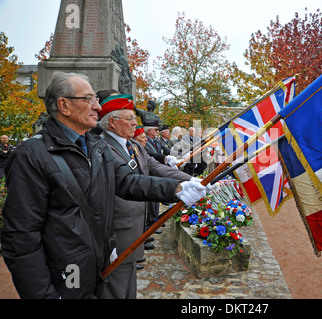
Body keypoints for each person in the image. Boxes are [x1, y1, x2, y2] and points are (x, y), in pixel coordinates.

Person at [0, 72, 206, 299]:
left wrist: (177, 189)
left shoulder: (95, 145)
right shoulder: (31, 155)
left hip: (98, 261)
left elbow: (127, 182)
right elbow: (21, 237)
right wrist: (43, 295)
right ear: (64, 105)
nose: (98, 107)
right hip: (67, 271)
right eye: (89, 99)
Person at [98, 94, 193, 298]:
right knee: (114, 288)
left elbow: (156, 167)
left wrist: (192, 181)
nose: (135, 123)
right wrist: (179, 188)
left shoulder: (133, 145)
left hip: (135, 229)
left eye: (135, 118)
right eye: (130, 118)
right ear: (113, 122)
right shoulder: (103, 147)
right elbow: (129, 182)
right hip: (117, 231)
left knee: (128, 285)